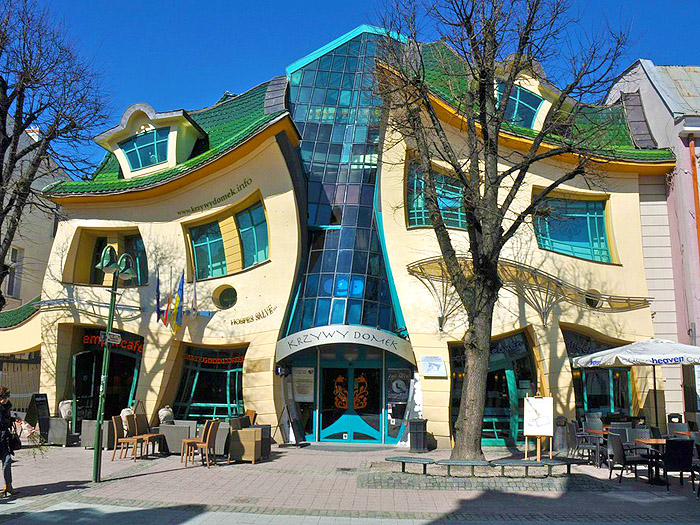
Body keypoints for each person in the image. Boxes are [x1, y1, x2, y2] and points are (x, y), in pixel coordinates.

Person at [0, 386, 17, 497]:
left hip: (4, 439)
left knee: (7, 460)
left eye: (7, 397)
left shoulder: (6, 407)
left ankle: (8, 485)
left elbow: (7, 420)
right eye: (3, 397)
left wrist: (14, 419)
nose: (5, 399)